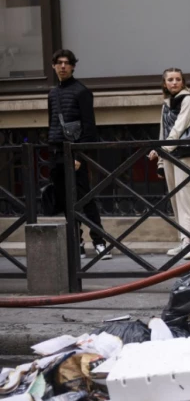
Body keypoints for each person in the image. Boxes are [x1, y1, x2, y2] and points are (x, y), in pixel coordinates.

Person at [47, 49, 111, 259]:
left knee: (85, 197)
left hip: (75, 152)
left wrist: (79, 157)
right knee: (66, 199)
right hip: (57, 151)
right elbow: (52, 123)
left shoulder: (82, 91)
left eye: (67, 63)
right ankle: (77, 242)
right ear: (54, 66)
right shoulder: (53, 93)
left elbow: (89, 127)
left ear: (73, 66)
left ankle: (99, 241)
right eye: (59, 63)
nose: (63, 66)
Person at [148, 68, 190, 260]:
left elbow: (179, 127)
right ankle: (183, 240)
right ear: (164, 83)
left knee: (185, 197)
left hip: (186, 153)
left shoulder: (188, 99)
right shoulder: (166, 104)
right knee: (175, 199)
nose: (174, 82)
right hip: (170, 154)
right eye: (170, 80)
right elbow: (163, 131)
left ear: (183, 81)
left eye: (178, 79)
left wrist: (162, 149)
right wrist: (161, 160)